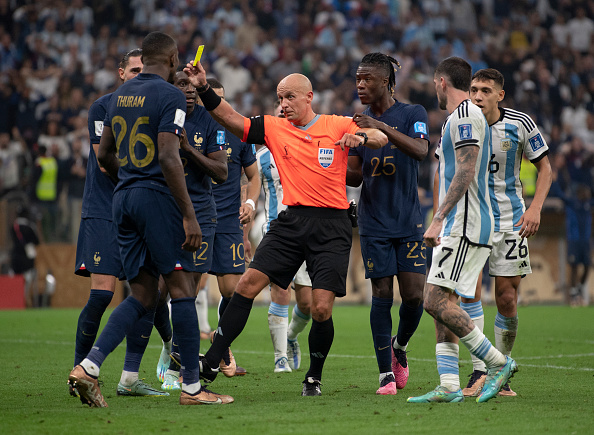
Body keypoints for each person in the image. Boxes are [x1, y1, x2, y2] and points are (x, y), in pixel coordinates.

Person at [184, 60, 388, 396]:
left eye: (289, 97)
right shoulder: (275, 128)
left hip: (332, 224)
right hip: (290, 221)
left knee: (320, 307)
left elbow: (380, 136)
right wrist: (204, 88)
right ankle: (211, 362)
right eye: (280, 98)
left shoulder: (337, 124)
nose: (283, 104)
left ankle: (313, 375)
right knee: (247, 285)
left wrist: (361, 137)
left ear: (309, 97)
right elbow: (232, 119)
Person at [68, 31, 233, 407]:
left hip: (122, 199)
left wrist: (130, 175)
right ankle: (192, 388)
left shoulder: (120, 96)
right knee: (181, 290)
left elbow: (105, 154)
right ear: (174, 59)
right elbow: (169, 157)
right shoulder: (170, 94)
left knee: (142, 293)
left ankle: (89, 366)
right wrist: (189, 216)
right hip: (155, 200)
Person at [407, 57, 517, 404]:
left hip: (466, 224)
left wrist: (439, 216)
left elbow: (467, 167)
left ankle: (498, 364)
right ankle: (450, 384)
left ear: (441, 82)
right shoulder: (460, 117)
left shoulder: (466, 114)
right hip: (460, 223)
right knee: (446, 303)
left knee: (434, 300)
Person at [72, 48, 170, 398]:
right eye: (134, 69)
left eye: (145, 69)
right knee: (102, 293)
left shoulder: (154, 105)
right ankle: (80, 368)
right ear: (121, 73)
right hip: (104, 208)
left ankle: (129, 378)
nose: (139, 74)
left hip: (138, 211)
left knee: (146, 294)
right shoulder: (103, 106)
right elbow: (104, 161)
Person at [460, 68, 552, 397]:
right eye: (473, 89)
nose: (477, 96)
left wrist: (536, 208)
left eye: (485, 90)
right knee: (467, 294)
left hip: (511, 222)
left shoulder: (520, 123)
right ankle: (478, 370)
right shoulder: (460, 122)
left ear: (500, 94)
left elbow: (545, 168)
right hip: (471, 221)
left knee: (507, 299)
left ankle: (503, 370)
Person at [346, 52, 428, 395]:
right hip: (374, 222)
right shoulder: (357, 121)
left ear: (386, 82)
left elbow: (421, 150)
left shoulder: (412, 114)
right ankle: (385, 375)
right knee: (381, 293)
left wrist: (381, 128)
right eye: (358, 79)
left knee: (413, 296)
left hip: (408, 221)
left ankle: (401, 347)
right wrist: (345, 148)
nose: (361, 85)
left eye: (368, 79)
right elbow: (353, 175)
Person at [159, 68, 228, 391]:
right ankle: (169, 349)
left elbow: (222, 172)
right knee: (158, 294)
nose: (188, 90)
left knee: (188, 291)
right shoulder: (159, 115)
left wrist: (188, 149)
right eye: (181, 84)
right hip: (162, 212)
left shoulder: (208, 121)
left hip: (200, 216)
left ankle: (175, 364)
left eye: (191, 85)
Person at [207, 77, 260, 377]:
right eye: (213, 98)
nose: (219, 104)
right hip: (196, 218)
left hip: (227, 221)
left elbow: (253, 178)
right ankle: (172, 358)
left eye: (222, 98)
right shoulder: (190, 128)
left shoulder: (238, 133)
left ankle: (220, 341)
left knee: (234, 290)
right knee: (186, 288)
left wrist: (250, 206)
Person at [256, 100, 312, 373]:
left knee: (308, 304)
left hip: (308, 230)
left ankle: (290, 336)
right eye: (279, 113)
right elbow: (252, 191)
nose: (284, 115)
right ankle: (280, 358)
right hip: (276, 231)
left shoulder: (308, 146)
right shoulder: (262, 157)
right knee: (280, 291)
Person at [10, 205, 39, 308]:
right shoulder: (30, 227)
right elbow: (37, 241)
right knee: (26, 280)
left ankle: (13, 301)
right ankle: (23, 300)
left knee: (15, 279)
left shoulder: (14, 227)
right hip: (27, 258)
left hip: (15, 256)